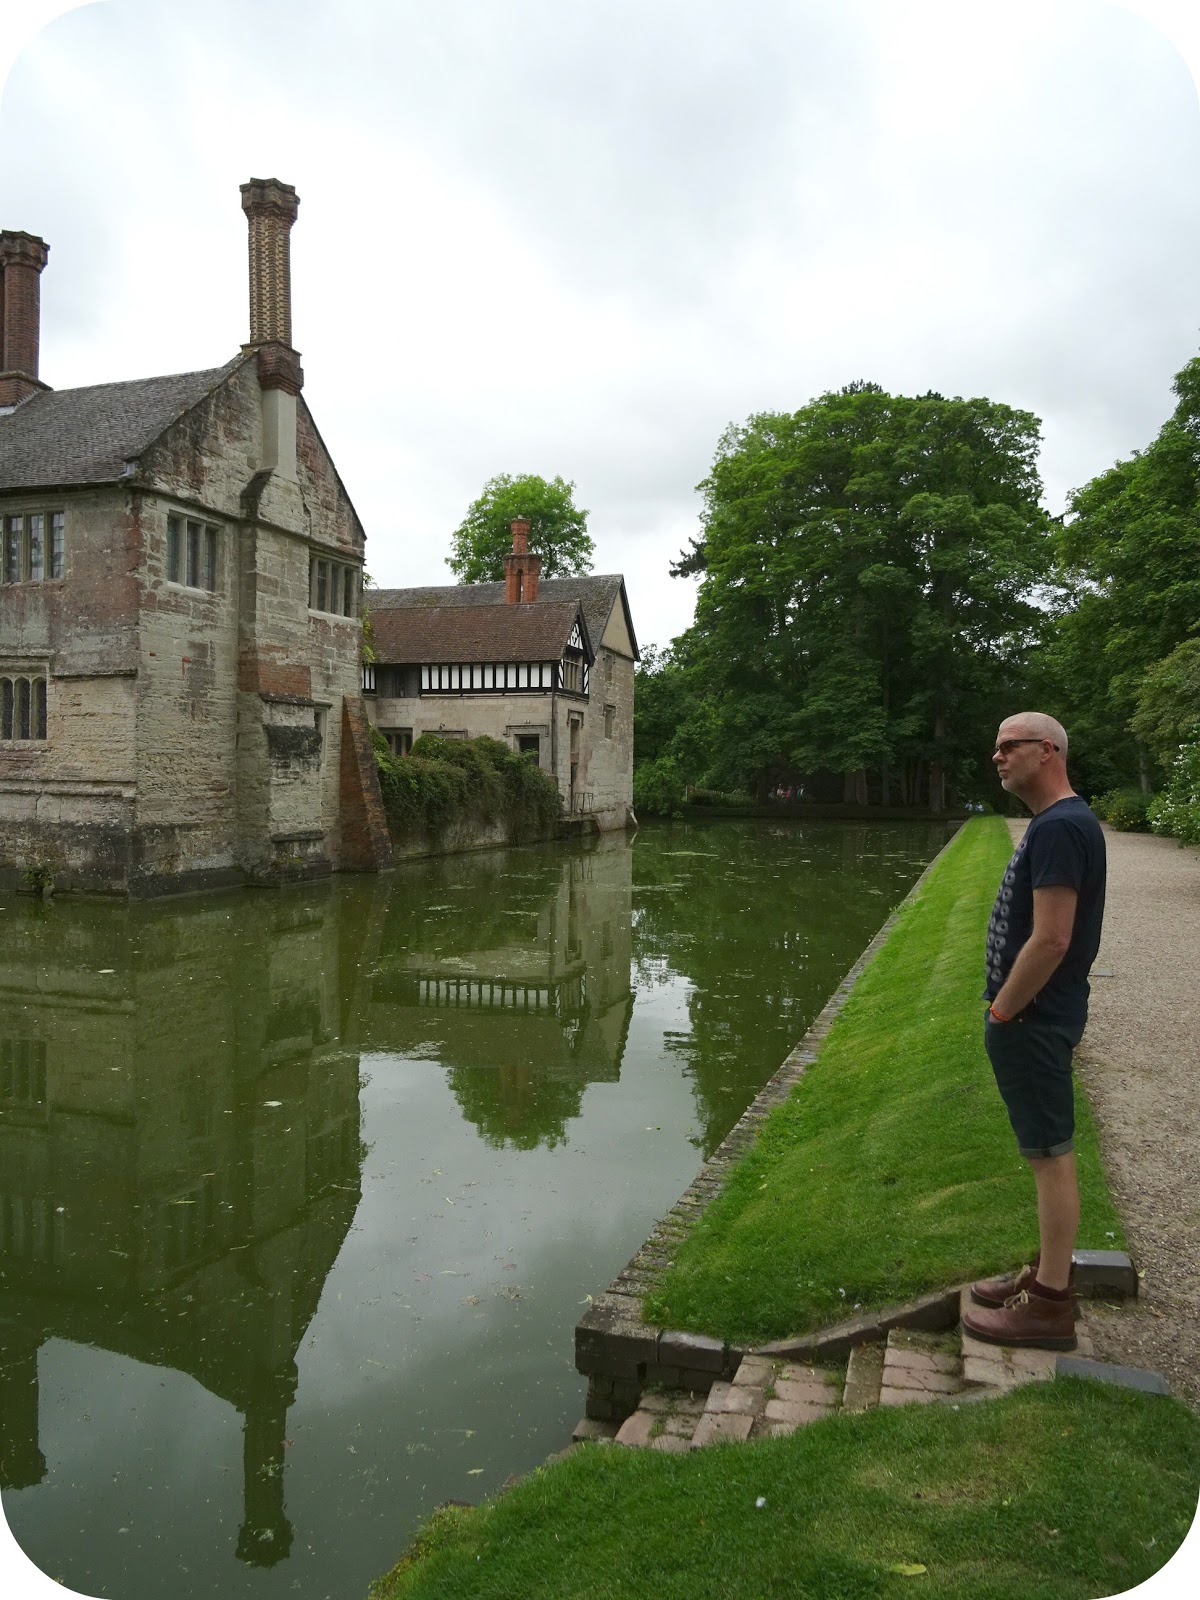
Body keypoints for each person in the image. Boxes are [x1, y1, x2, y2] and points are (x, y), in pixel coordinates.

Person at [961, 712, 1106, 1351]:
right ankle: (1047, 1274)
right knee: (1044, 1152)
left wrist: (1004, 1010)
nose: (997, 756)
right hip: (1035, 1015)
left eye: (1007, 746)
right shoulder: (1059, 822)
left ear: (1046, 750)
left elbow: (1051, 939)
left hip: (1033, 1017)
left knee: (1049, 1155)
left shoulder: (1061, 827)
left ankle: (1048, 1306)